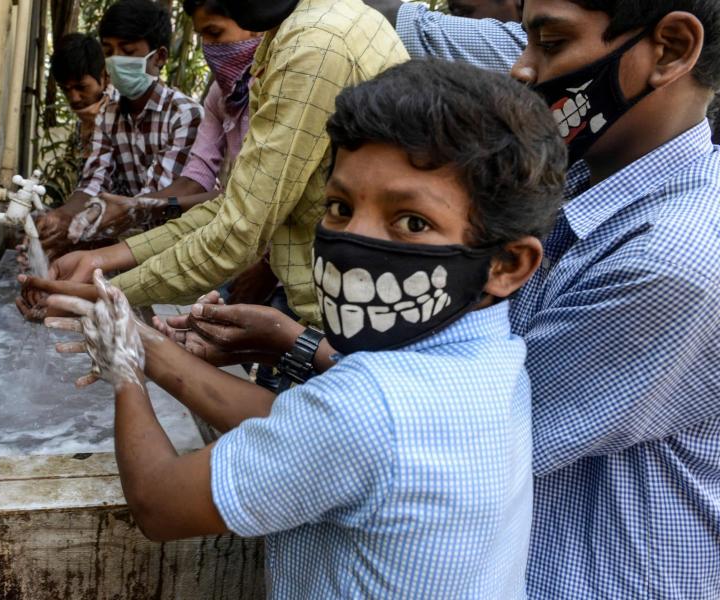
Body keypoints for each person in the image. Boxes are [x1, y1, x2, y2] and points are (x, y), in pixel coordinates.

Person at [175, 1, 720, 598]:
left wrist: (154, 352)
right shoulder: (580, 179)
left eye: (552, 43)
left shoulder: (672, 262)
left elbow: (452, 426)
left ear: (669, 48)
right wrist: (295, 344)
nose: (521, 67)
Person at [45, 59, 568, 599]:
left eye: (412, 222)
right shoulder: (493, 362)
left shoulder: (367, 406)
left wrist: (125, 370)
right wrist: (145, 340)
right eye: (339, 207)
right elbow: (299, 428)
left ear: (507, 265)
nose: (353, 244)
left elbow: (159, 504)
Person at [18, 0, 407, 327]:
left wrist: (98, 295)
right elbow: (234, 204)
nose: (210, 46)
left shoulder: (314, 50)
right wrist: (99, 260)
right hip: (338, 301)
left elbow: (237, 230)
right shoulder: (299, 36)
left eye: (215, 34)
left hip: (352, 311)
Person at [76, 0, 262, 241]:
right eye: (109, 52)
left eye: (214, 32)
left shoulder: (187, 114)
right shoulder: (219, 95)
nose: (207, 46)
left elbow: (242, 197)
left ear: (256, 26)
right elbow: (199, 175)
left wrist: (140, 207)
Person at [37, 0, 204, 258]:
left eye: (127, 51)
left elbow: (153, 202)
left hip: (179, 246)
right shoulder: (109, 115)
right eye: (109, 51)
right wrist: (62, 216)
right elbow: (94, 180)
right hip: (131, 238)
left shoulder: (185, 115)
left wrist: (89, 229)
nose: (116, 61)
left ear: (159, 57)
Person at [45, 33, 114, 203]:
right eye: (66, 89)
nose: (74, 97)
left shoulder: (121, 117)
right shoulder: (82, 125)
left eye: (81, 87)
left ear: (104, 77)